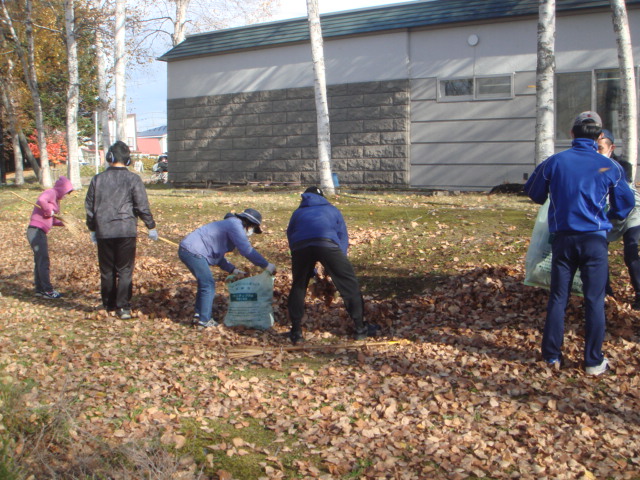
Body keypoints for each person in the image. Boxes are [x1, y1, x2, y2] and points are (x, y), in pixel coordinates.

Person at [524, 111, 635, 375]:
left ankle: (552, 357)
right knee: (594, 300)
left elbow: (534, 193)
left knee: (558, 298)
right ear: (599, 136)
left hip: (563, 240)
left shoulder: (555, 162)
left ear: (572, 134)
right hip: (595, 241)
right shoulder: (608, 166)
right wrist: (609, 216)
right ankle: (593, 362)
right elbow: (626, 203)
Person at [286, 186, 380, 344]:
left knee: (298, 285)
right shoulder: (332, 209)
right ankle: (360, 328)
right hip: (327, 243)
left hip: (300, 247)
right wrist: (337, 264)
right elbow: (342, 236)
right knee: (349, 285)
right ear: (322, 197)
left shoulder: (298, 213)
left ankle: (296, 332)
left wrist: (310, 269)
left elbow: (291, 236)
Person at [85, 140, 158, 319]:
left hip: (104, 231)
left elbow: (89, 207)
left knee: (107, 270)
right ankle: (123, 307)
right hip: (126, 231)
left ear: (110, 157)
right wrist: (151, 226)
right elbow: (142, 205)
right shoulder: (133, 179)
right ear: (127, 160)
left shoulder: (98, 179)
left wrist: (92, 229)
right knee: (125, 270)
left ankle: (109, 305)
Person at [178, 208, 276, 328]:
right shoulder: (235, 225)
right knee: (208, 284)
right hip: (193, 251)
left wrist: (232, 270)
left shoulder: (230, 225)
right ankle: (204, 321)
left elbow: (217, 255)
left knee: (205, 284)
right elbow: (246, 250)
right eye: (253, 229)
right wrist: (266, 265)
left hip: (190, 250)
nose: (251, 232)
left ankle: (199, 315)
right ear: (249, 224)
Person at [599, 129, 640, 309]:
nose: (596, 152)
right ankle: (606, 292)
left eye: (600, 148)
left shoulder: (621, 165)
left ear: (611, 148)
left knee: (631, 250)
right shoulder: (590, 165)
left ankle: (639, 294)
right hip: (609, 215)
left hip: (631, 212)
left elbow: (625, 200)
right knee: (599, 251)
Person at [26, 176, 74, 299]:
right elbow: (42, 200)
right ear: (61, 188)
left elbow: (51, 220)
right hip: (36, 231)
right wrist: (49, 211)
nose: (66, 195)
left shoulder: (56, 199)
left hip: (40, 231)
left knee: (39, 261)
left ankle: (39, 289)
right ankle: (48, 291)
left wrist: (65, 223)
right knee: (43, 261)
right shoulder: (51, 192)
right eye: (66, 192)